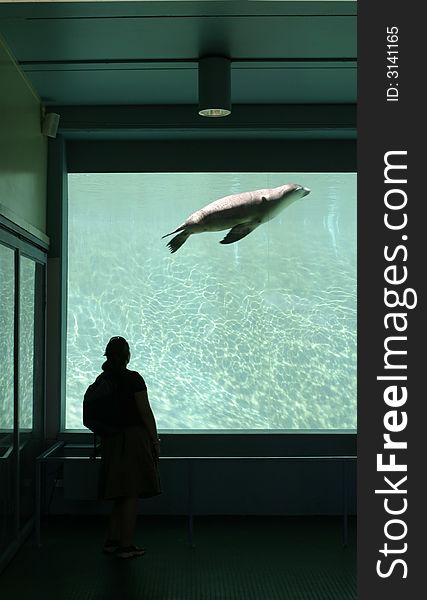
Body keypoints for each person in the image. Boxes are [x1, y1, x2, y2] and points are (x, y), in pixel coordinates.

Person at [98, 336, 161, 559]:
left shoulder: (103, 379)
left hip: (111, 442)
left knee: (118, 493)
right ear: (127, 356)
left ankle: (112, 542)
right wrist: (155, 441)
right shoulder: (133, 379)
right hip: (132, 442)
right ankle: (125, 546)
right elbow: (144, 411)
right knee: (131, 493)